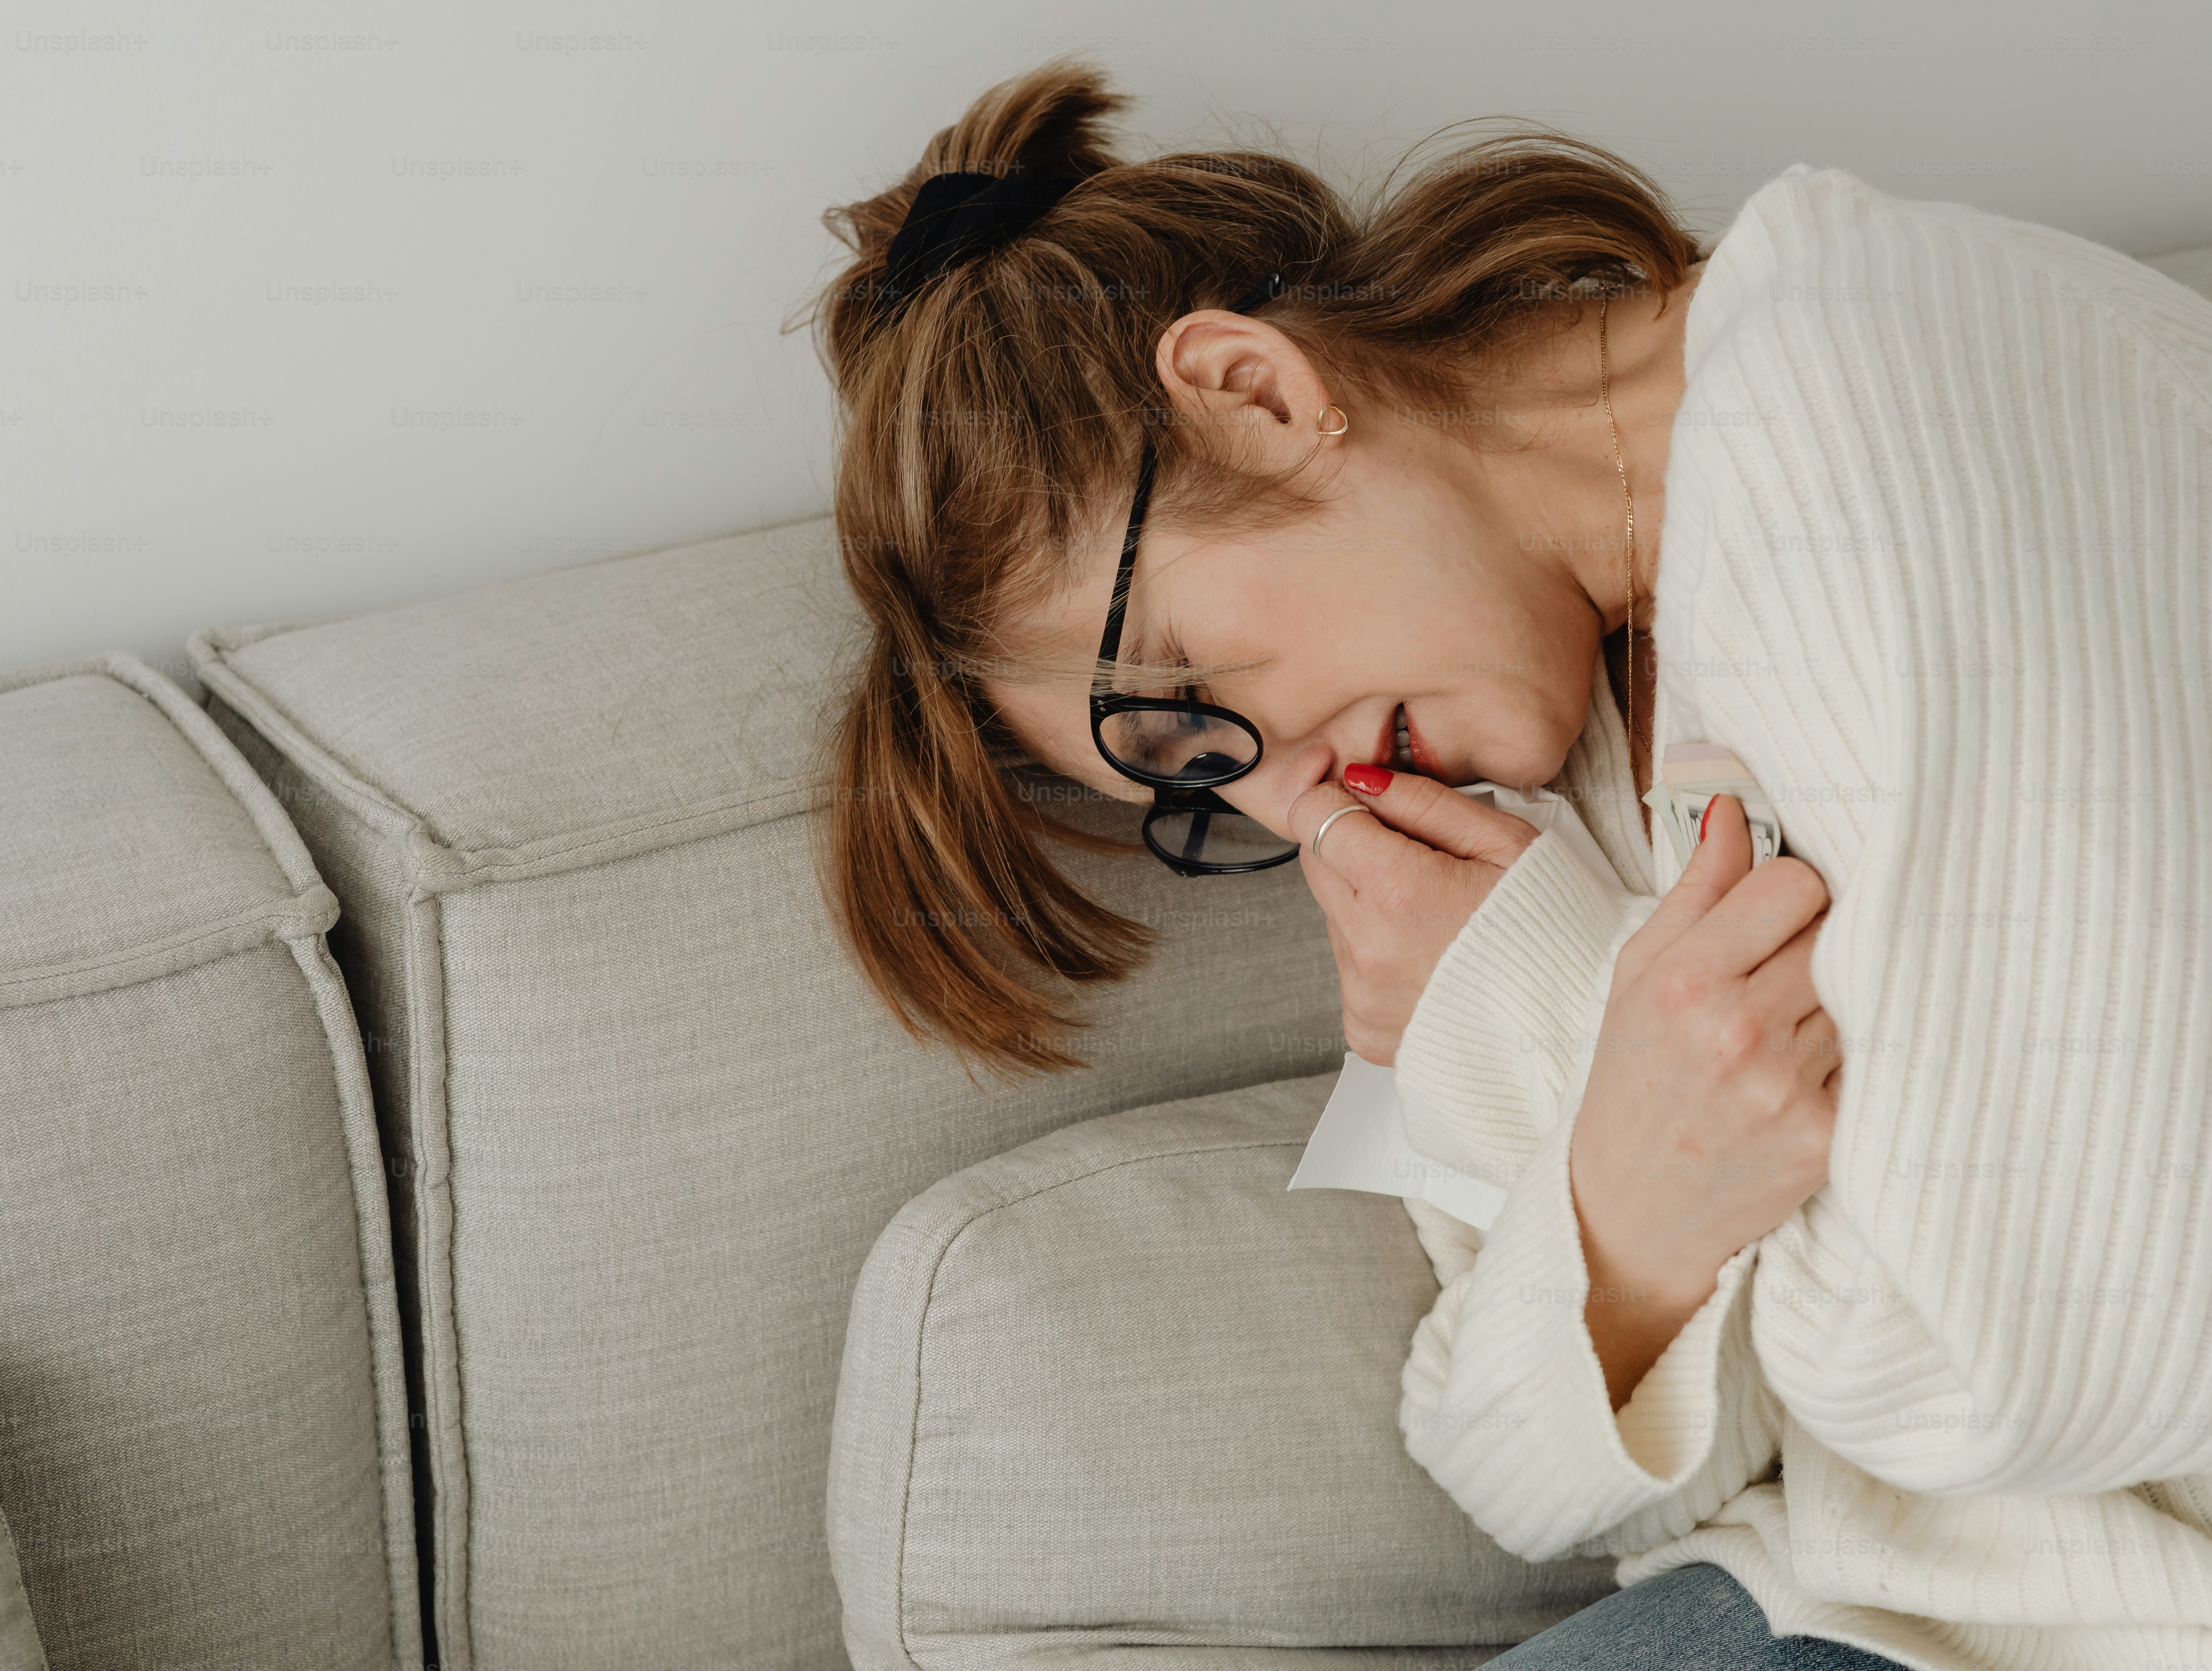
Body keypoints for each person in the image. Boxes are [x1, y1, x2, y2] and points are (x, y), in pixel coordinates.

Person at [803, 57, 2212, 1670]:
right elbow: (1527, 1480)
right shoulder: (1521, 776)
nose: (1304, 809)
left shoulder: (1867, 388)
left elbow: (2026, 1367)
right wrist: (1625, 1175)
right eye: (1203, 793)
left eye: (1194, 711)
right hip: (1858, 1608)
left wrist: (1562, 1027)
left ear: (1255, 392)